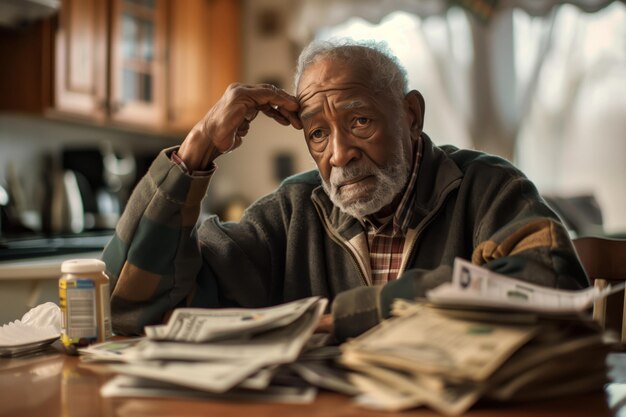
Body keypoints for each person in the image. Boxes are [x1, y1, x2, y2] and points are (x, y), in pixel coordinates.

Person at [103, 39, 588, 341]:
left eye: (359, 121)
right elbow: (137, 305)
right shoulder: (290, 213)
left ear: (411, 116)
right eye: (317, 133)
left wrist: (345, 318)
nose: (338, 154)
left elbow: (552, 279)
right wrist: (196, 151)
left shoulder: (485, 187)